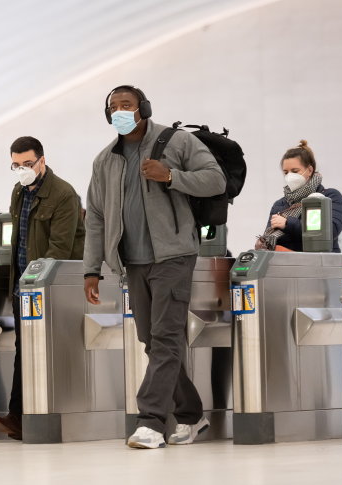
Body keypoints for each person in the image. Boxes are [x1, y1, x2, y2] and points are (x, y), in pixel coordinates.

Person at [83, 86, 226, 449]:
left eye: (126, 105)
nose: (119, 111)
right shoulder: (105, 160)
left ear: (143, 108)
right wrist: (91, 269)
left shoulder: (176, 142)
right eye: (113, 107)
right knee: (152, 340)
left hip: (173, 255)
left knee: (165, 338)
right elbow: (96, 218)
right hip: (132, 262)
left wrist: (171, 177)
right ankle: (192, 417)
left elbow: (215, 179)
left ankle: (149, 421)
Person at [0, 136, 85, 441]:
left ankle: (39, 414)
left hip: (49, 287)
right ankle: (20, 416)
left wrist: (37, 283)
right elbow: (18, 241)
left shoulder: (64, 194)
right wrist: (17, 285)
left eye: (27, 164)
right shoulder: (19, 192)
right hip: (23, 287)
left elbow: (60, 247)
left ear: (41, 161)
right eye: (16, 165)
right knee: (23, 349)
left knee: (43, 349)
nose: (21, 170)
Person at [256, 140, 342, 252]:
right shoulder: (279, 205)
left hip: (321, 263)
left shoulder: (329, 196)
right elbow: (270, 240)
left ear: (309, 170)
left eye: (295, 171)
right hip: (287, 265)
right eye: (286, 172)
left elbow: (330, 232)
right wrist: (263, 241)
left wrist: (287, 223)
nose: (289, 176)